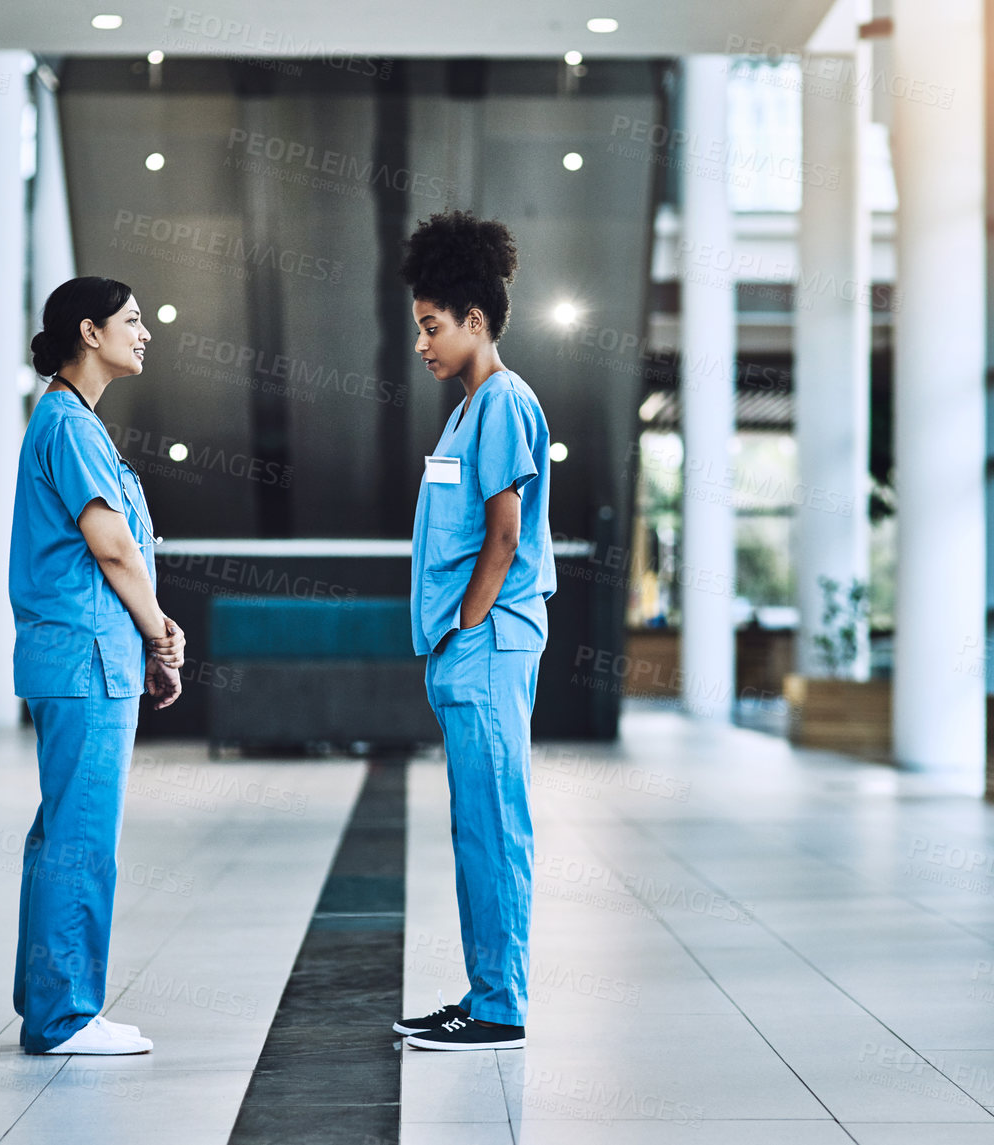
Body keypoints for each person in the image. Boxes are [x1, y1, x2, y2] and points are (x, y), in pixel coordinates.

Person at [9, 276, 185, 1055]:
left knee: (60, 835)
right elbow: (111, 545)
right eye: (133, 320)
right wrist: (159, 633)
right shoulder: (70, 427)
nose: (144, 333)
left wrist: (146, 632)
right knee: (82, 838)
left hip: (79, 657)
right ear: (90, 331)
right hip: (86, 657)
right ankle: (66, 1015)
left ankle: (46, 1001)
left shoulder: (66, 420)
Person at [394, 212, 555, 1051]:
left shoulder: (503, 401)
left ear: (476, 320)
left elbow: (504, 533)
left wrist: (465, 626)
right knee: (477, 827)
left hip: (486, 647)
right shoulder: (466, 413)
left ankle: (500, 1006)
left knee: (494, 824)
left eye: (431, 327)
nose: (421, 343)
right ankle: (485, 989)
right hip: (467, 654)